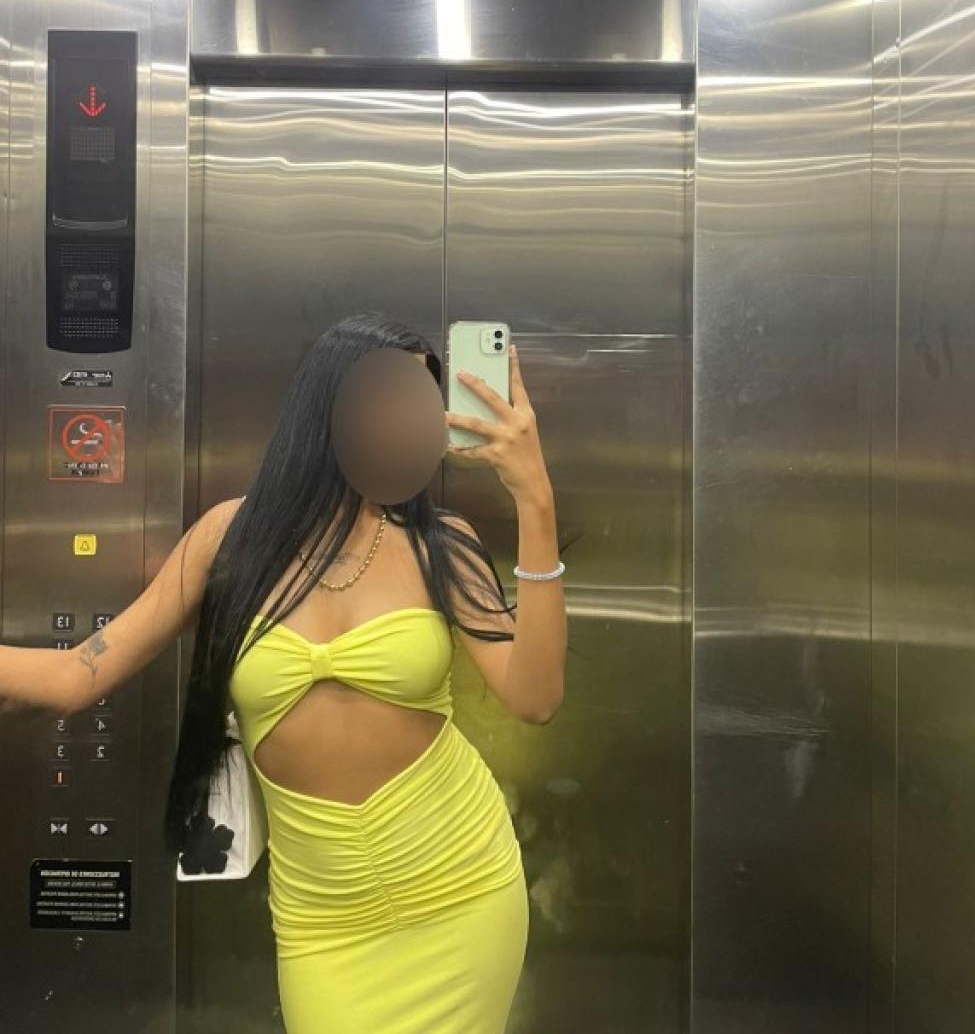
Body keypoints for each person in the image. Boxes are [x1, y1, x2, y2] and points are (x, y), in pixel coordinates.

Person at [0, 311, 567, 1033]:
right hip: (324, 924)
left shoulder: (440, 545)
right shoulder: (229, 541)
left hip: (461, 890)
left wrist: (534, 497)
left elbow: (536, 697)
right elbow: (78, 675)